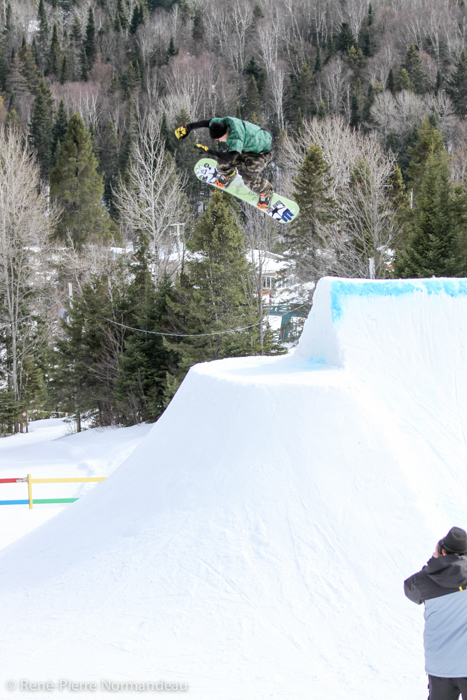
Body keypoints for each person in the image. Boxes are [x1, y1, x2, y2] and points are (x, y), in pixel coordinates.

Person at [404, 527, 467, 700]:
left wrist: (434, 562)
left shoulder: (426, 578)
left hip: (440, 665)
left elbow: (409, 590)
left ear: (442, 551)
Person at [175, 117, 273, 210]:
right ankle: (230, 175)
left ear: (225, 133)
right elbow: (206, 123)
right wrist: (188, 128)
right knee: (222, 163)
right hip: (246, 147)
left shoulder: (236, 137)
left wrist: (209, 151)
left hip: (261, 153)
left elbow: (231, 157)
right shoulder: (224, 122)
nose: (218, 140)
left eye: (219, 138)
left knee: (248, 179)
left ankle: (266, 191)